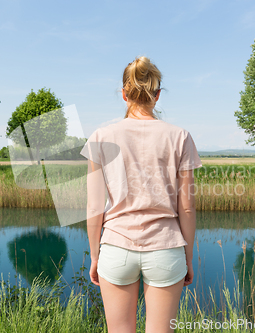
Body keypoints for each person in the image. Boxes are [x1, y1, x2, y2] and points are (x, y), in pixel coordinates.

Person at [80, 56, 202, 333]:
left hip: (116, 247)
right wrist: (188, 256)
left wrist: (95, 255)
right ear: (157, 96)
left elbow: (94, 206)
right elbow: (187, 208)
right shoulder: (180, 136)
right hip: (166, 247)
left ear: (124, 94)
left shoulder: (101, 136)